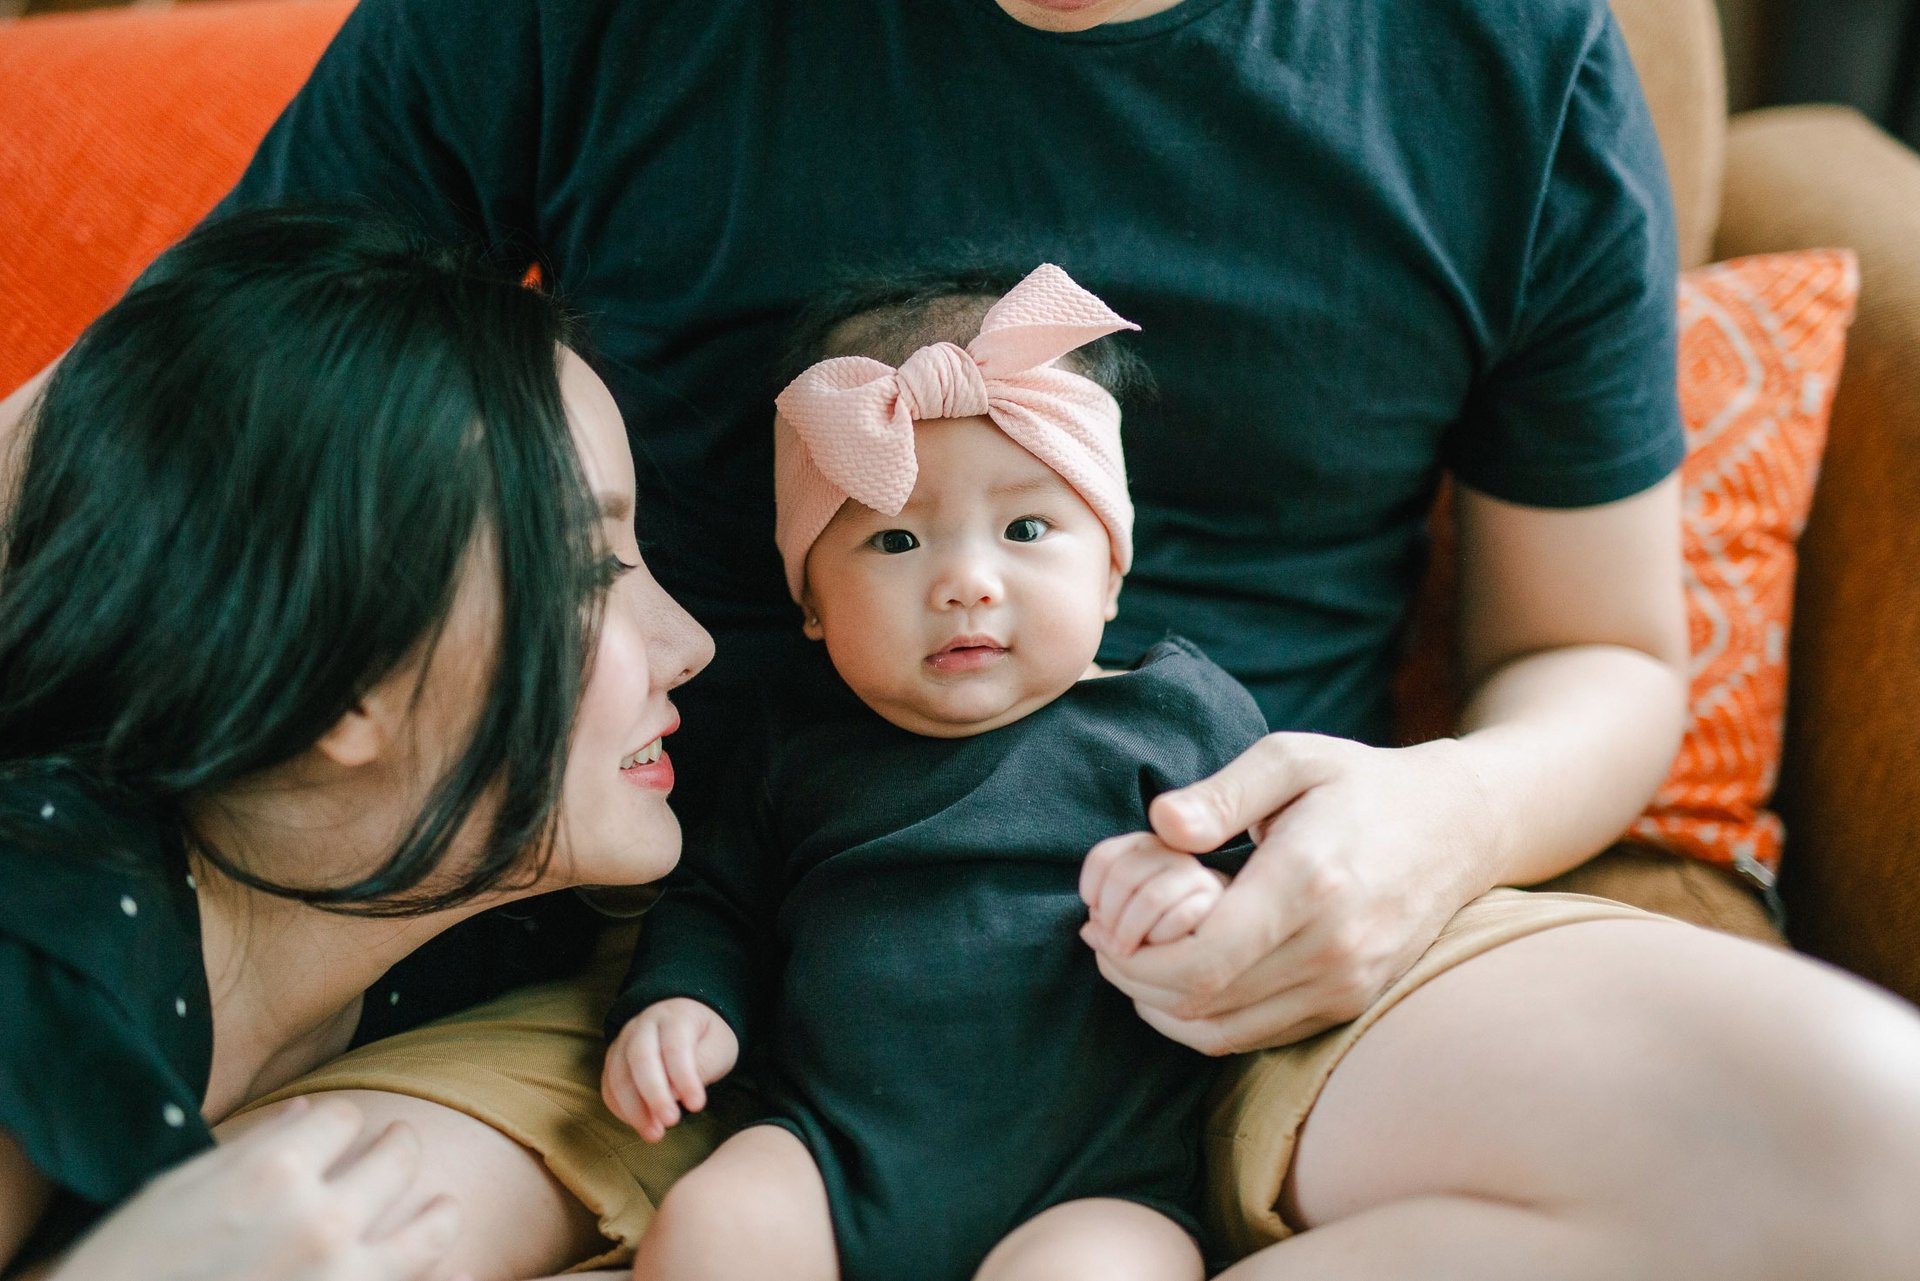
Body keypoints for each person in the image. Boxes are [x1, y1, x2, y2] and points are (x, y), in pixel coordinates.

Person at [5, 0, 1920, 1275]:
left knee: (1876, 1145)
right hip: (649, 946)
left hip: (1246, 943)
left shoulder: (1506, 50)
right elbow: (167, 420)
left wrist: (1437, 829)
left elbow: (1601, 654)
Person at [0, 207, 713, 1280]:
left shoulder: (494, 930)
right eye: (586, 570)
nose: (691, 643)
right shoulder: (36, 939)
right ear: (337, 677)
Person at [603, 266, 1271, 1281]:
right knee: (715, 1229)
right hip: (832, 1160)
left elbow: (1281, 889)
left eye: (1028, 529)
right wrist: (685, 1003)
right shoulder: (799, 747)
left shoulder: (1175, 721)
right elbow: (716, 905)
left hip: (1095, 1185)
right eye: (897, 538)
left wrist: (1203, 899)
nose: (965, 581)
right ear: (813, 605)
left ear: (1112, 571)